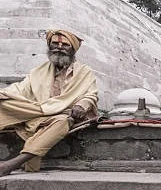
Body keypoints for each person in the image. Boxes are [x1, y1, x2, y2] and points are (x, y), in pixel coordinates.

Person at [0, 29, 98, 176]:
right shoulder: (37, 71)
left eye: (65, 45)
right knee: (4, 102)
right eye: (55, 44)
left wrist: (81, 105)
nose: (59, 47)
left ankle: (12, 164)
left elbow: (91, 95)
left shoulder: (85, 71)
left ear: (73, 49)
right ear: (49, 46)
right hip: (35, 113)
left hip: (60, 116)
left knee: (63, 122)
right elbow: (19, 89)